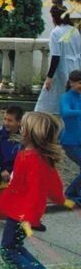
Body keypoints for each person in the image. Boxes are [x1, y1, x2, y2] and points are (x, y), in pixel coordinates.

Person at [0, 111, 76, 269]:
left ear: (29, 133)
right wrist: (62, 200)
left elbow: (32, 188)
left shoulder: (27, 157)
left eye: (24, 126)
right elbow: (53, 184)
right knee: (14, 246)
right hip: (25, 212)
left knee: (8, 250)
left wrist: (25, 216)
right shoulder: (41, 156)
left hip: (20, 212)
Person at [37, 3, 81, 115]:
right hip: (76, 66)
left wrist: (49, 77)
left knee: (49, 99)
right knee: (73, 95)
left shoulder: (56, 32)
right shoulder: (74, 30)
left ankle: (46, 119)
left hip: (62, 68)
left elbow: (56, 56)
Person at [61, 70, 81, 204]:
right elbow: (65, 112)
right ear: (71, 83)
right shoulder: (66, 97)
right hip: (70, 141)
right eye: (79, 83)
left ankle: (76, 193)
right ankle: (70, 193)